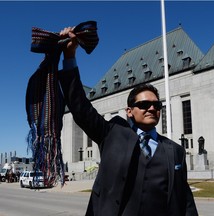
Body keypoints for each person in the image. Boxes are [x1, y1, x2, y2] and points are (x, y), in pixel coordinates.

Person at [58, 27, 198, 216]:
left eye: (157, 105)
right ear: (129, 111)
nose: (151, 108)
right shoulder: (111, 134)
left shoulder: (175, 151)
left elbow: (185, 201)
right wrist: (69, 56)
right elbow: (79, 106)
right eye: (144, 104)